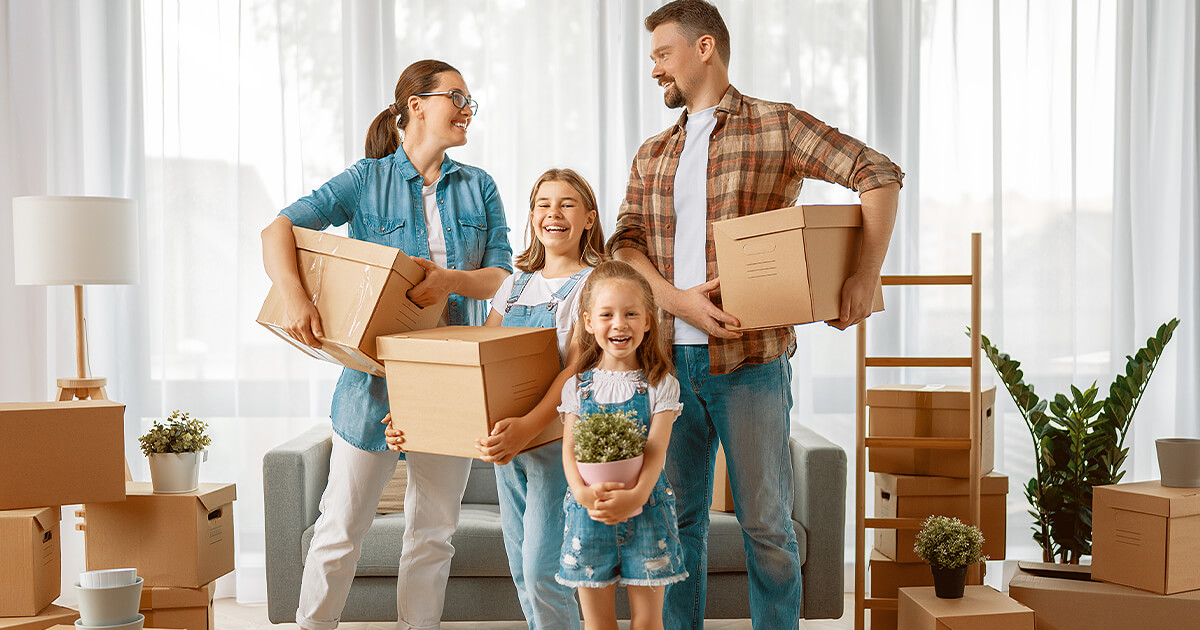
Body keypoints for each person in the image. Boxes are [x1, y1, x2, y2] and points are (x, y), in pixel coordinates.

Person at [607, 2, 905, 628]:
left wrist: (863, 275)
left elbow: (877, 173)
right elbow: (625, 243)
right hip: (664, 365)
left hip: (750, 363)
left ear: (705, 47)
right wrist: (677, 300)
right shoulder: (653, 151)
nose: (655, 67)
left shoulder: (776, 125)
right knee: (678, 522)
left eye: (664, 53)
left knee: (767, 525)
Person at [260, 59, 512, 630]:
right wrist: (296, 297)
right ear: (416, 106)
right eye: (457, 96)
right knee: (341, 525)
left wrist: (449, 281)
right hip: (373, 380)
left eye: (472, 99)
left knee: (434, 531)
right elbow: (278, 228)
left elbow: (502, 275)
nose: (468, 108)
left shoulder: (479, 186)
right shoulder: (365, 180)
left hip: (450, 380)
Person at [398, 167, 604, 629]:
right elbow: (478, 361)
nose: (554, 213)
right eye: (543, 204)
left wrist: (528, 426)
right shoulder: (514, 286)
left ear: (589, 218)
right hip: (509, 453)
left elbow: (575, 370)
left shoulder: (596, 286)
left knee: (543, 571)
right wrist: (414, 417)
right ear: (531, 217)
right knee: (521, 573)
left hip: (556, 446)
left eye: (567, 204)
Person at [554, 260, 687, 630]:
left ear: (648, 320)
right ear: (588, 322)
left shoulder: (661, 384)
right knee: (598, 624)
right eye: (607, 314)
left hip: (647, 510)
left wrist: (637, 495)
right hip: (589, 512)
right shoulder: (577, 387)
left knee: (647, 622)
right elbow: (571, 450)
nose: (619, 324)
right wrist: (581, 493)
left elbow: (656, 450)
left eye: (631, 313)